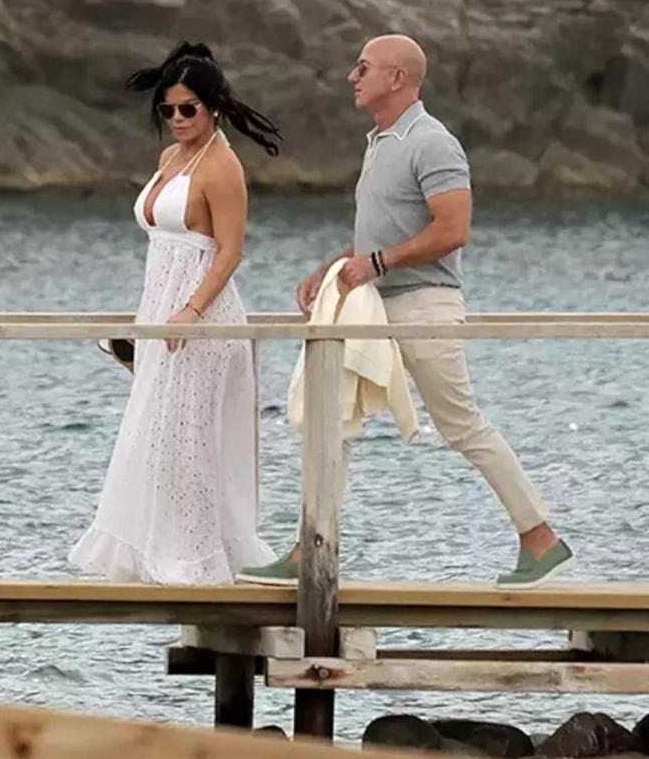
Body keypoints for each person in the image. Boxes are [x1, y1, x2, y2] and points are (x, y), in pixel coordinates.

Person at [238, 34, 572, 589]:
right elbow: (383, 235)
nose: (352, 76)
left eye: (363, 67)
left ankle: (540, 538)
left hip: (424, 303)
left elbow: (452, 230)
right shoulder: (380, 142)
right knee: (333, 422)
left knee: (460, 424)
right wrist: (331, 268)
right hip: (374, 305)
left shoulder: (433, 142)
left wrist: (377, 262)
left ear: (397, 78)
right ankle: (307, 551)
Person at [70, 41, 280, 584]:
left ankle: (197, 559)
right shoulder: (170, 159)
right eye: (168, 109)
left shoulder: (223, 166)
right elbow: (164, 247)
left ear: (213, 106)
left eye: (189, 108)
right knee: (157, 435)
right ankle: (156, 549)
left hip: (203, 317)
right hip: (161, 312)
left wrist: (190, 309)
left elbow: (229, 252)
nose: (178, 118)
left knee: (189, 440)